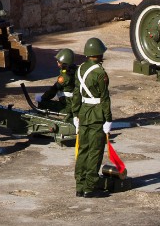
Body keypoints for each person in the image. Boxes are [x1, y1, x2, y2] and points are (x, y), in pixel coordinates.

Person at [70, 37, 113, 198]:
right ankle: (90, 187)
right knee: (95, 151)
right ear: (98, 54)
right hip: (96, 115)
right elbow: (104, 98)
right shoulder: (100, 73)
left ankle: (79, 185)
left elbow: (76, 94)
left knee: (82, 150)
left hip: (83, 113)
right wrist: (108, 119)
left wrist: (75, 114)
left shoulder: (80, 69)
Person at [37, 48, 77, 115]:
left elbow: (54, 90)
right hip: (73, 102)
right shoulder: (75, 70)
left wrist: (42, 98)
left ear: (64, 63)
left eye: (58, 61)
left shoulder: (65, 77)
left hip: (67, 106)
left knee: (41, 101)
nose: (57, 62)